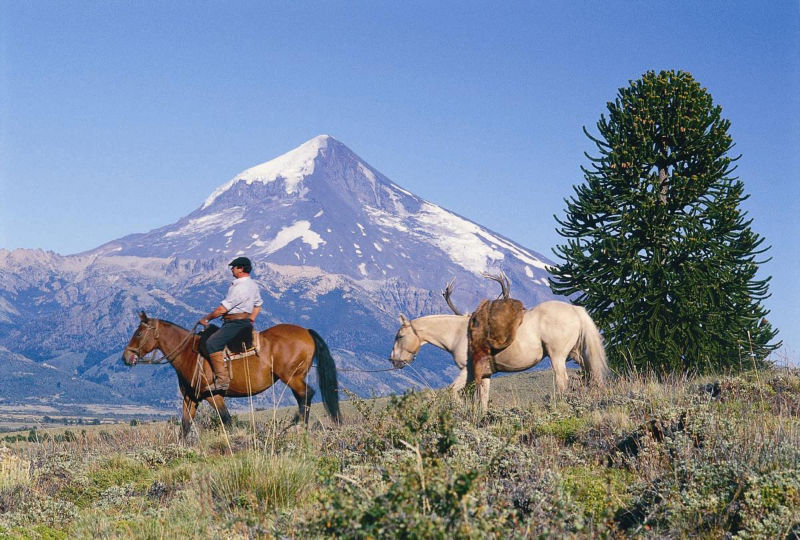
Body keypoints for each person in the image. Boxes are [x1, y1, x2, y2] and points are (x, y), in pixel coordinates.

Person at [199, 256, 263, 392]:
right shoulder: (253, 285)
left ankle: (222, 380)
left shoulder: (240, 287)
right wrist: (251, 319)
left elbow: (222, 309)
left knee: (212, 343)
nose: (231, 270)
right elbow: (258, 305)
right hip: (244, 322)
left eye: (233, 267)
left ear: (240, 269)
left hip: (235, 323)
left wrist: (207, 318)